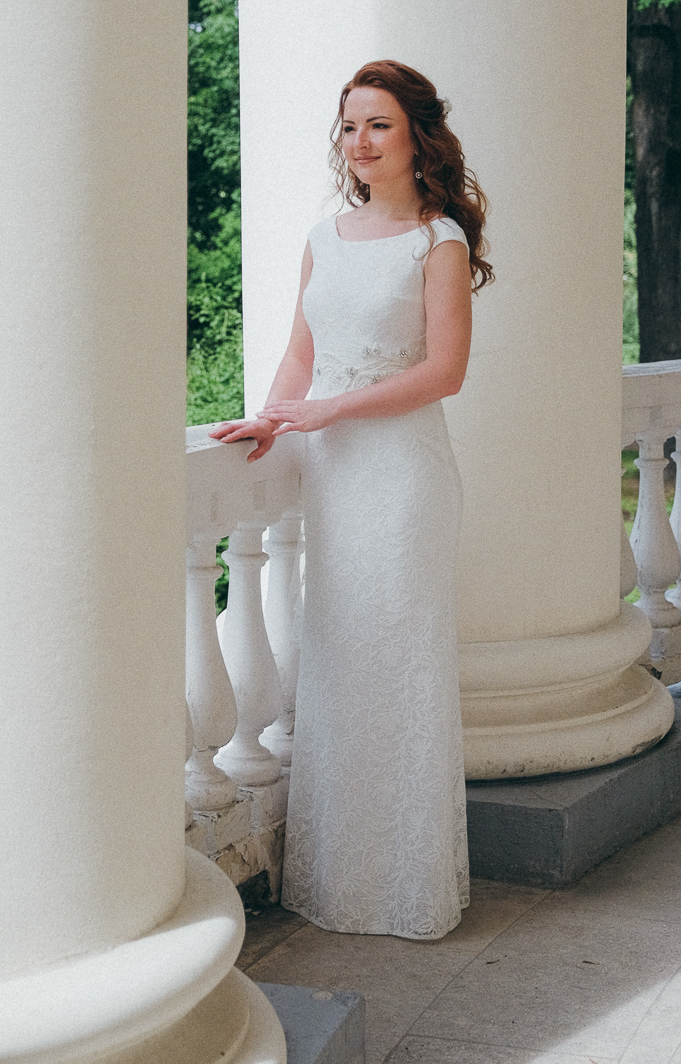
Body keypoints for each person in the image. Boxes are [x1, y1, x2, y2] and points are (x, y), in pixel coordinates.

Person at [210, 60, 493, 940]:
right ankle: (343, 879)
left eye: (377, 125)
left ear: (417, 139)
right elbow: (303, 352)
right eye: (347, 127)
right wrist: (272, 419)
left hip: (402, 480)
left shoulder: (437, 241)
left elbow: (442, 371)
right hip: (333, 477)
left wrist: (326, 410)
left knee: (396, 663)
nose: (358, 142)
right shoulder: (323, 237)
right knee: (338, 660)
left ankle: (406, 889)